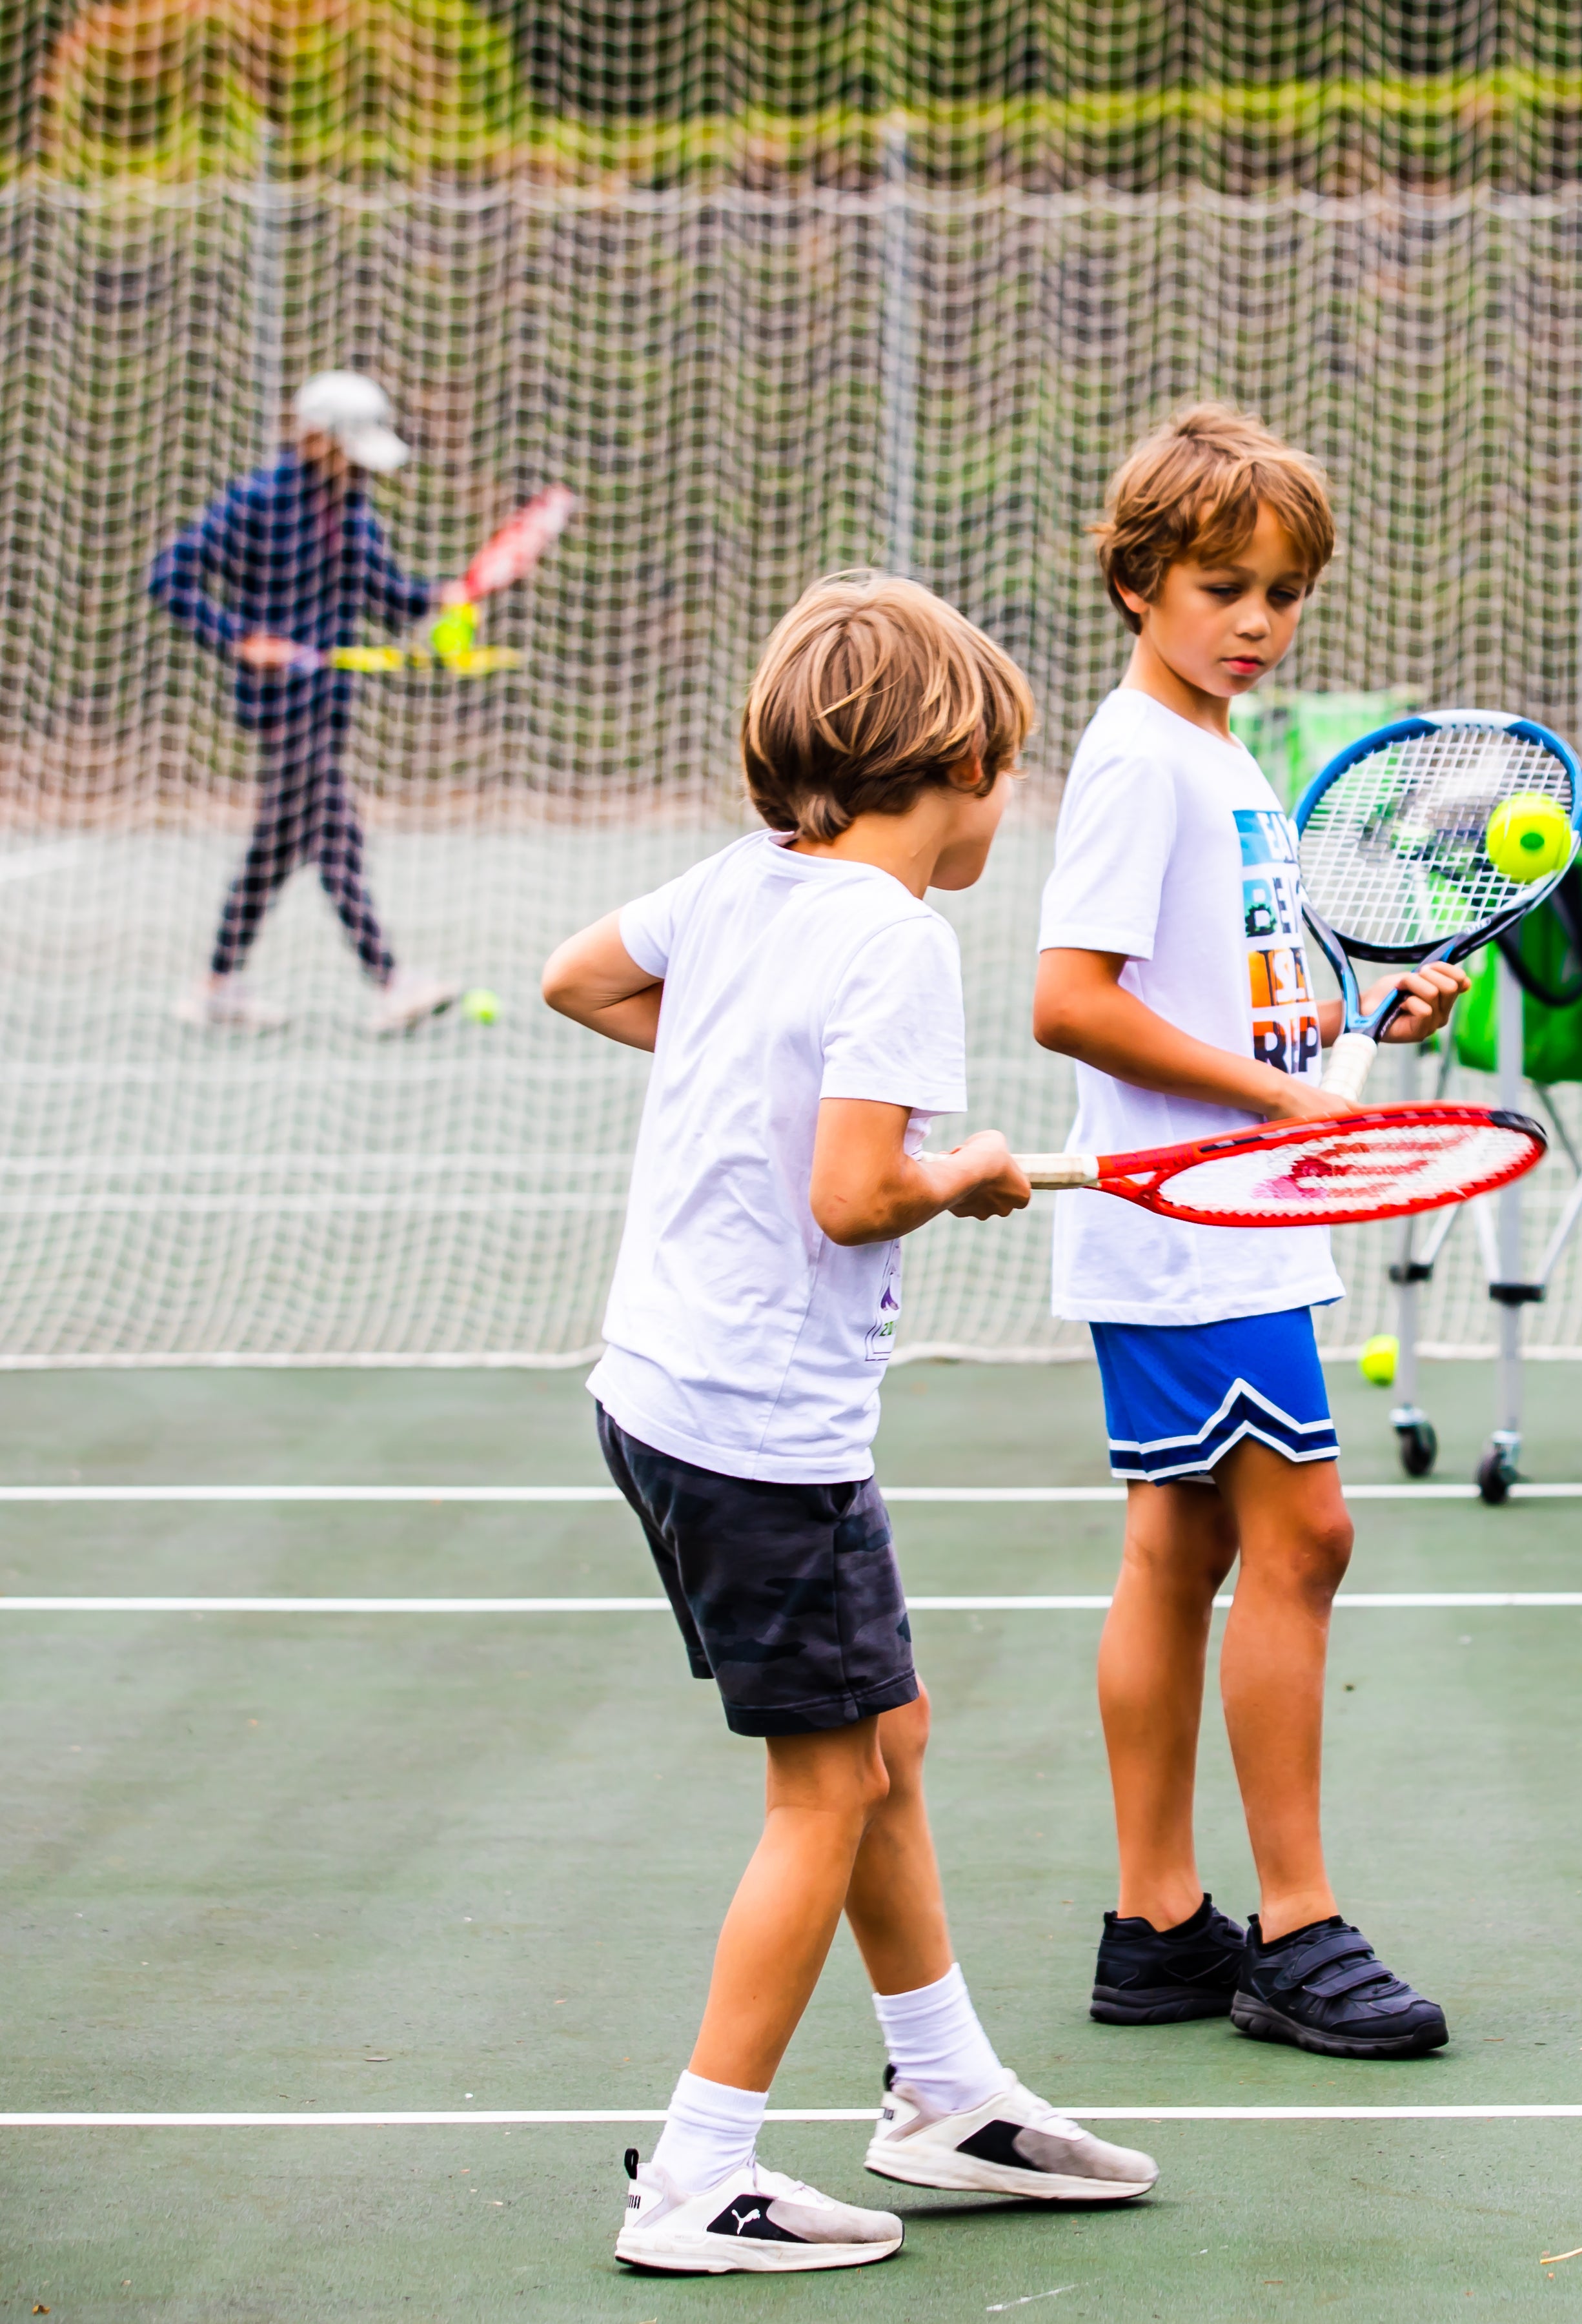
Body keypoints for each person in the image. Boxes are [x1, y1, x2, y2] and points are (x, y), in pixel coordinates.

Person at [543, 574, 1161, 2274]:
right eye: (999, 778)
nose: (1004, 809)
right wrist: (951, 1178)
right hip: (759, 1427)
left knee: (890, 1735)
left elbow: (575, 976)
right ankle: (698, 2176)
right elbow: (851, 1194)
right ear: (948, 768)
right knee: (824, 1790)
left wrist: (744, 1059)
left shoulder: (747, 886)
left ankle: (944, 2093)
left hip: (659, 1394)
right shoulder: (896, 939)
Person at [1031, 408, 1468, 2052]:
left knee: (1186, 1546)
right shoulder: (1137, 757)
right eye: (1222, 584)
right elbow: (1067, 1002)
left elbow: (1247, 1009)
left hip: (1239, 1208)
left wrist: (1367, 1030)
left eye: (1282, 593)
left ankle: (1156, 1926)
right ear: (1139, 577)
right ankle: (1293, 1927)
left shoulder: (1223, 760)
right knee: (1304, 1540)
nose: (1255, 621)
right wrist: (1271, 1104)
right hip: (1187, 1219)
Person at [148, 369, 464, 1034]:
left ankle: (216, 987)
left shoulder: (350, 508)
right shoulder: (259, 501)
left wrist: (441, 599)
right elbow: (170, 575)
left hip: (328, 700)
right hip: (278, 704)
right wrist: (240, 639)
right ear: (315, 438)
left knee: (277, 846)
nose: (359, 462)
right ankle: (391, 980)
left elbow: (386, 596)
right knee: (334, 837)